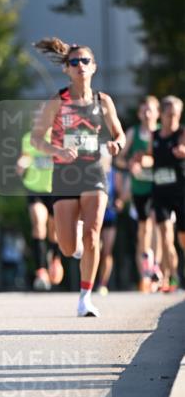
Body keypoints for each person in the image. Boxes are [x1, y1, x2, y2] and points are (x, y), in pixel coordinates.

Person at [31, 38, 125, 318]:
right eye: (75, 62)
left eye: (85, 61)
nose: (80, 66)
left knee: (93, 234)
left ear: (94, 67)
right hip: (65, 173)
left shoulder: (102, 101)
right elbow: (37, 139)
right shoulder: (57, 101)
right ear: (67, 70)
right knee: (67, 245)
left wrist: (115, 145)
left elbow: (118, 133)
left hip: (94, 171)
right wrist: (57, 149)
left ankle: (85, 297)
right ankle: (75, 246)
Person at [140, 95, 185, 293]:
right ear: (163, 115)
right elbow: (150, 158)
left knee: (183, 238)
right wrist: (141, 162)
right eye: (169, 115)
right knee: (166, 237)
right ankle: (172, 277)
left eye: (176, 115)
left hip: (180, 192)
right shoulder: (155, 136)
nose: (173, 119)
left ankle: (174, 274)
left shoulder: (182, 133)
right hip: (160, 193)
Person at [16, 111, 64, 291]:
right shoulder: (28, 138)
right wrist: (22, 163)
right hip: (34, 188)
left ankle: (55, 260)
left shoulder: (57, 138)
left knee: (55, 232)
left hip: (54, 190)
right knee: (38, 224)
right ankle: (41, 270)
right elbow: (25, 156)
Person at [117, 95, 161, 291]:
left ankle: (156, 271)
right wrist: (130, 165)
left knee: (157, 226)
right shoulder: (133, 133)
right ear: (139, 113)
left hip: (159, 188)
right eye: (143, 110)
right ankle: (144, 274)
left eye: (150, 109)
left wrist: (150, 162)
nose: (147, 113)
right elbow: (118, 159)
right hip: (138, 189)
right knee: (143, 232)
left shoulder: (162, 133)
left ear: (157, 112)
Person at [95, 152, 125, 296]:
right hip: (94, 216)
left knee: (107, 251)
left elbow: (120, 195)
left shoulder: (114, 174)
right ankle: (90, 280)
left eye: (106, 157)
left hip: (109, 215)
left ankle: (103, 283)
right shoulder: (92, 174)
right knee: (93, 247)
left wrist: (120, 202)